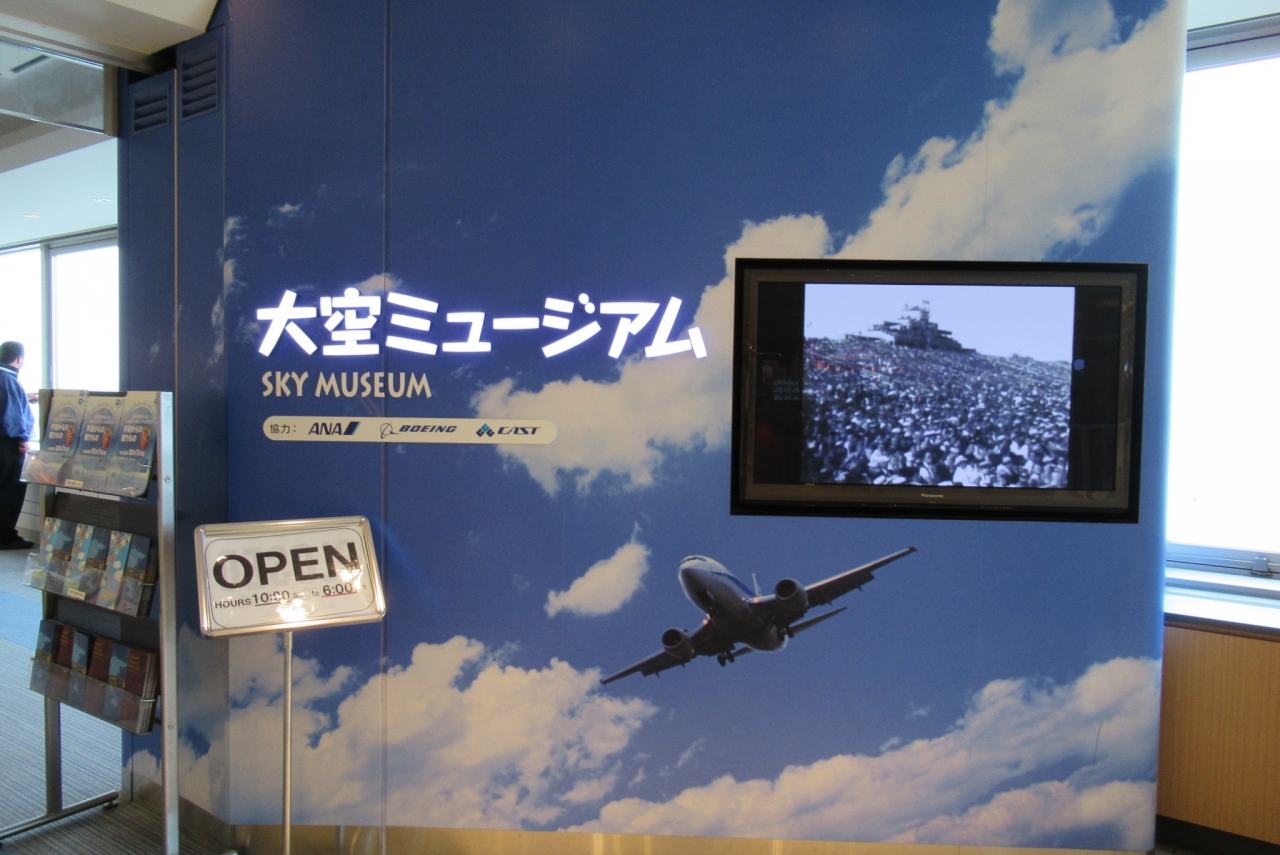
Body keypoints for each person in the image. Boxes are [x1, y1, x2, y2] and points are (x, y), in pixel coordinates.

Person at [0, 341, 35, 550]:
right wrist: (23, 438)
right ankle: (5, 537)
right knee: (9, 492)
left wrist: (25, 397)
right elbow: (11, 416)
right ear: (19, 359)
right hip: (8, 447)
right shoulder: (8, 380)